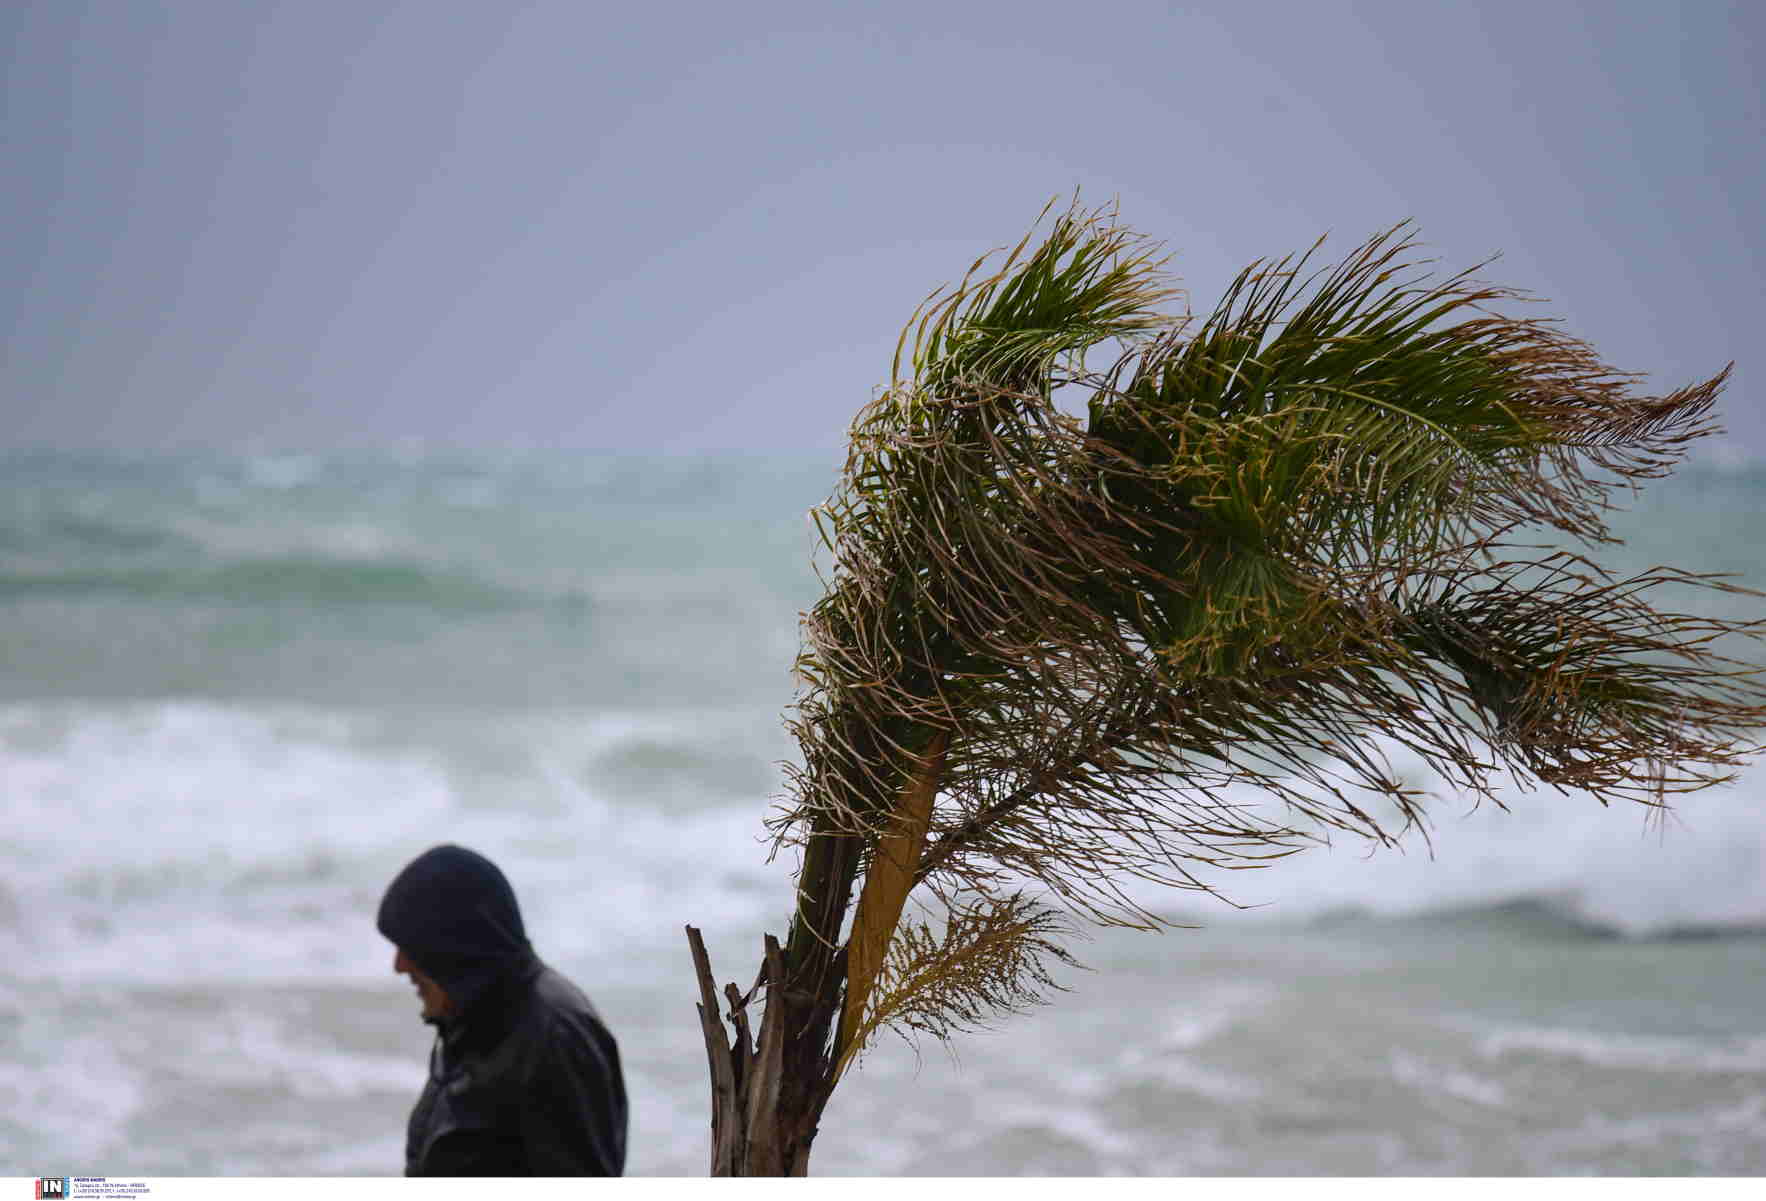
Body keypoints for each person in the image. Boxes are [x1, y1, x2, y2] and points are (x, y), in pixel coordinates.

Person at [376, 844, 627, 1175]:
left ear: (454, 946)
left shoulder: (555, 1036)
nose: (399, 966)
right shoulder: (471, 1022)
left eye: (411, 948)